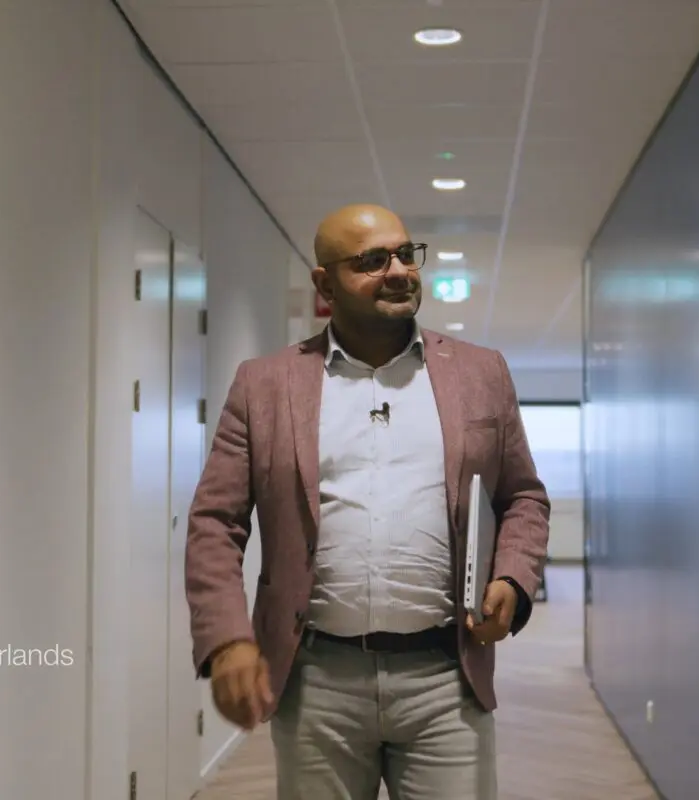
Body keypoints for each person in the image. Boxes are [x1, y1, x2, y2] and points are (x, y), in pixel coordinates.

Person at [183, 203, 550, 800]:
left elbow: (524, 499)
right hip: (316, 680)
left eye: (406, 254)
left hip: (446, 678)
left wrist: (512, 576)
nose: (399, 271)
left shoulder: (482, 373)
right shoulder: (265, 384)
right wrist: (226, 640)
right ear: (325, 284)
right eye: (372, 261)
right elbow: (214, 524)